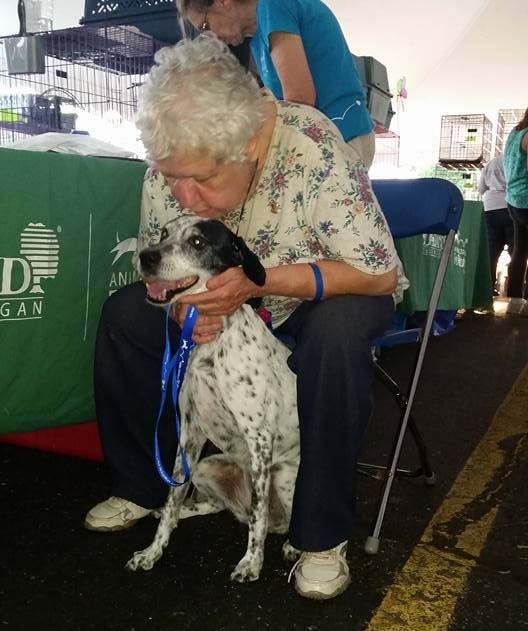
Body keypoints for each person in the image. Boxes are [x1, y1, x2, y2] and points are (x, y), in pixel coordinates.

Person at [85, 35, 408, 600]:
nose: (183, 195)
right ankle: (143, 484)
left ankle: (320, 535)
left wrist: (258, 283)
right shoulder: (177, 163)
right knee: (124, 316)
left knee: (336, 337)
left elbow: (378, 273)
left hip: (317, 295)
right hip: (229, 312)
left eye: (202, 179)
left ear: (251, 143)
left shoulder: (312, 146)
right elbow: (158, 276)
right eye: (170, 176)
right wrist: (185, 309)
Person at [176, 0, 376, 167]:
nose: (213, 37)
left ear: (223, 2)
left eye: (205, 26)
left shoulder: (273, 5)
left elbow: (300, 98)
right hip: (332, 136)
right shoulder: (258, 37)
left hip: (343, 135)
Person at [503, 107, 528, 317]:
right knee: (521, 250)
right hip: (526, 199)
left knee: (520, 250)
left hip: (513, 199)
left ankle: (514, 300)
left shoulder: (515, 132)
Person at [477, 154, 514, 296]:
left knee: (491, 253)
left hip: (490, 208)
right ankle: (513, 291)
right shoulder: (519, 160)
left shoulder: (492, 162)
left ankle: (487, 290)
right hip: (512, 207)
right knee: (516, 252)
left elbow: (481, 188)